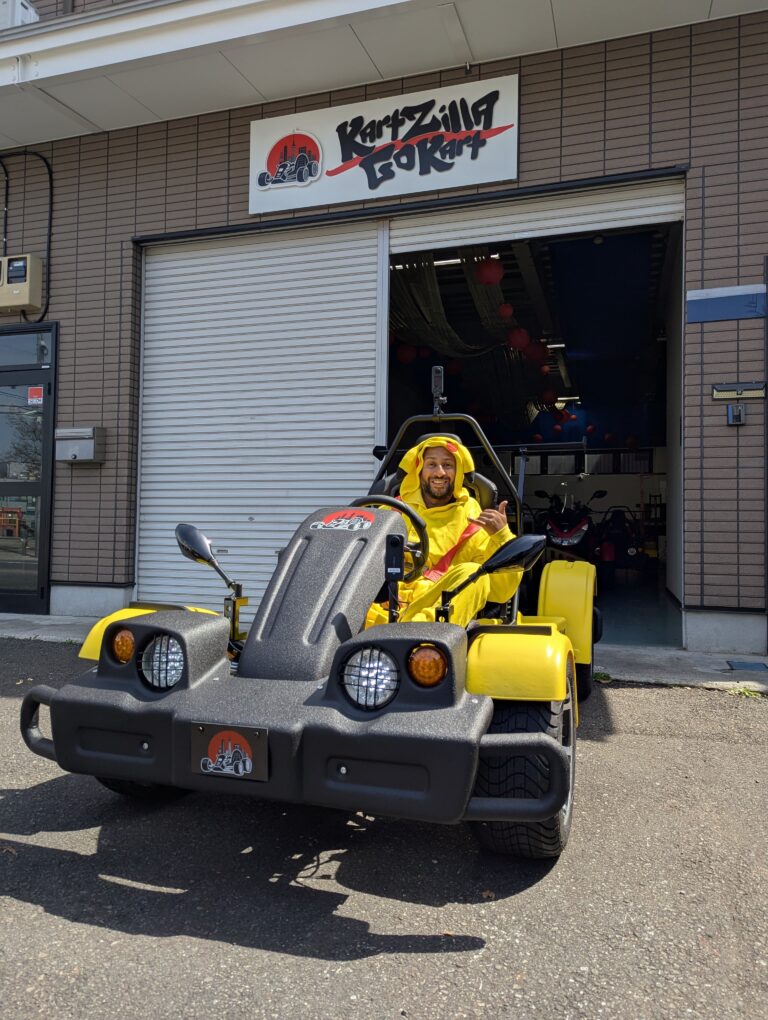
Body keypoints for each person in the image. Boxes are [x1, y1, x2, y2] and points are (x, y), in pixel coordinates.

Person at [365, 435, 523, 628]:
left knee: (474, 573)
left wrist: (502, 536)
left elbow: (501, 592)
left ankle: (419, 637)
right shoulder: (392, 510)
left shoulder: (473, 517)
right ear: (419, 470)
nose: (440, 473)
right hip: (384, 610)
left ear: (458, 472)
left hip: (436, 615)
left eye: (448, 465)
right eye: (431, 464)